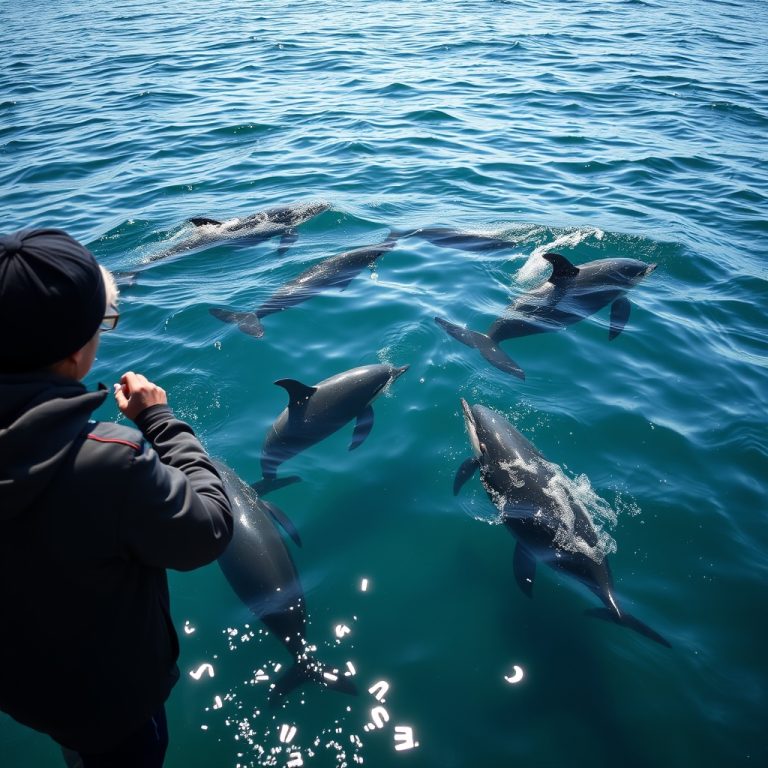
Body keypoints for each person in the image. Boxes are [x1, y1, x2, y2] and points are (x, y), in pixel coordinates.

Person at [0, 228, 234, 766]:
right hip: (115, 707)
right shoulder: (109, 459)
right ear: (79, 350)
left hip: (24, 687)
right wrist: (160, 422)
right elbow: (208, 531)